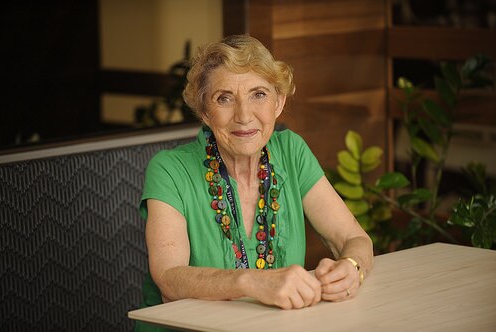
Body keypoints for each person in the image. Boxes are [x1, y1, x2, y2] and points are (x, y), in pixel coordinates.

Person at [137, 34, 373, 331]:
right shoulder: (170, 170)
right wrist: (251, 281)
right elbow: (169, 279)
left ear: (279, 102)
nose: (244, 116)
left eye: (258, 94)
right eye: (224, 98)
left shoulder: (291, 151)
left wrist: (352, 268)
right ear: (205, 112)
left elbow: (354, 238)